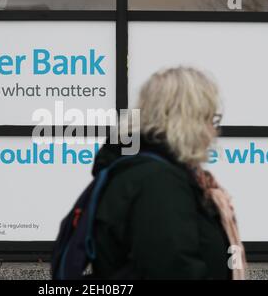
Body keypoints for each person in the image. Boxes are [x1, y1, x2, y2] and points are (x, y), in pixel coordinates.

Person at [91, 67, 246, 280]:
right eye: (210, 119)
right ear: (188, 120)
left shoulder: (152, 173)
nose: (215, 130)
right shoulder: (158, 183)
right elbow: (173, 269)